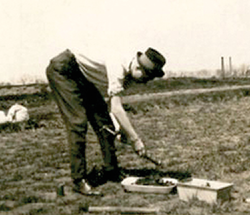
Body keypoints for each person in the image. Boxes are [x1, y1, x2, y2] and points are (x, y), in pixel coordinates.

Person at [45, 47, 166, 196]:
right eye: (146, 77)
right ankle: (78, 180)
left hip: (83, 77)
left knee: (105, 124)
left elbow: (111, 107)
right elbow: (117, 108)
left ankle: (111, 170)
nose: (145, 82)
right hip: (63, 70)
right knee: (77, 123)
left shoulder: (130, 74)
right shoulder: (118, 66)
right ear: (138, 67)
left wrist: (118, 129)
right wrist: (136, 139)